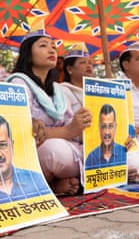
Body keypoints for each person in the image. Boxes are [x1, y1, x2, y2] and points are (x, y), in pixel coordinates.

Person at [6, 22, 92, 195]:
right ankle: (46, 185)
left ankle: (54, 183)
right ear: (28, 55)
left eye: (53, 46)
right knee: (55, 152)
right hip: (32, 152)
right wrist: (68, 131)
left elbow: (73, 129)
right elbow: (21, 131)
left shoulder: (57, 90)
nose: (52, 50)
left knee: (105, 153)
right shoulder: (18, 83)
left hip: (68, 147)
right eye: (43, 46)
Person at [61, 43, 139, 179]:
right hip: (79, 143)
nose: (88, 66)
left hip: (107, 140)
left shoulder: (100, 90)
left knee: (133, 152)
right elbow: (66, 125)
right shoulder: (62, 90)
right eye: (83, 63)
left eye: (90, 63)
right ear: (69, 69)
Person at [86, 104, 127, 169]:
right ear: (99, 128)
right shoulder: (91, 158)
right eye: (104, 126)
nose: (107, 132)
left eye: (110, 126)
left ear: (115, 127)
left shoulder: (125, 153)